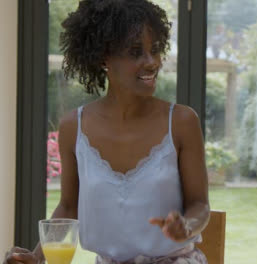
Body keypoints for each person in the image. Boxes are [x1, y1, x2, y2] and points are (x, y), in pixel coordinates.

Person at [4, 0, 210, 263]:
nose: (151, 62)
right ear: (104, 58)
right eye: (136, 52)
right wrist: (36, 257)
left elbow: (200, 205)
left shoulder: (181, 122)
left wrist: (188, 225)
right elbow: (69, 206)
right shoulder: (73, 127)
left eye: (155, 50)